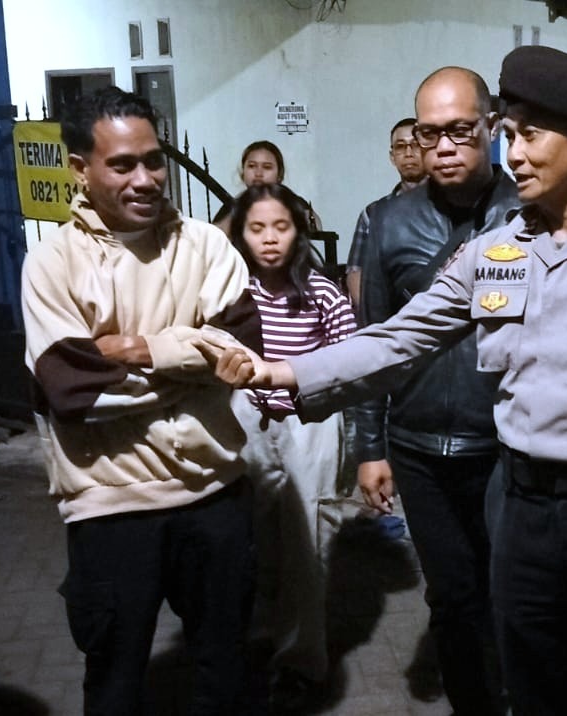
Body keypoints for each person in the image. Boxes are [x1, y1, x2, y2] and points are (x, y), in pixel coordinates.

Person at [218, 50, 567, 715]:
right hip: (522, 507)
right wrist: (286, 371)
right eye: (509, 135)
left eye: (531, 135)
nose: (516, 154)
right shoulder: (494, 253)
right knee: (531, 678)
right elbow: (398, 338)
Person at [20, 86, 262, 713]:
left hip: (215, 495)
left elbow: (242, 351)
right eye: (123, 165)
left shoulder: (207, 245)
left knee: (227, 674)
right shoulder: (52, 263)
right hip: (110, 509)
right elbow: (72, 391)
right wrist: (194, 357)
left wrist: (139, 349)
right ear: (81, 168)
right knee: (116, 685)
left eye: (154, 160)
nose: (146, 179)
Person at [352, 66, 519, 715]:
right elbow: (371, 341)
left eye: (460, 131)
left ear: (492, 127)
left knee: (513, 594)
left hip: (509, 447)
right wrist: (370, 447)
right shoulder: (386, 222)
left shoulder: (527, 213)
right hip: (419, 449)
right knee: (451, 597)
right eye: (429, 133)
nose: (444, 147)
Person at [226, 183, 357, 710]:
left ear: (298, 232)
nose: (269, 239)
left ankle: (301, 662)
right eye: (257, 228)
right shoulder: (231, 291)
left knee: (308, 541)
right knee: (252, 538)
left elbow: (349, 359)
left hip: (310, 422)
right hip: (246, 421)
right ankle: (257, 641)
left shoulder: (322, 292)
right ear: (241, 234)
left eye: (280, 227)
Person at [344, 118, 428, 305]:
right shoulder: (373, 214)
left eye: (415, 145)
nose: (408, 153)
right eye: (400, 147)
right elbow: (355, 272)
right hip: (388, 315)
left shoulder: (449, 206)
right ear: (392, 157)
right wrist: (374, 317)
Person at [214, 140, 318, 235]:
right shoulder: (232, 206)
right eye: (252, 166)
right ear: (243, 172)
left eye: (267, 167)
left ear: (279, 174)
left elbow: (316, 227)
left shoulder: (292, 202)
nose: (258, 173)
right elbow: (213, 237)